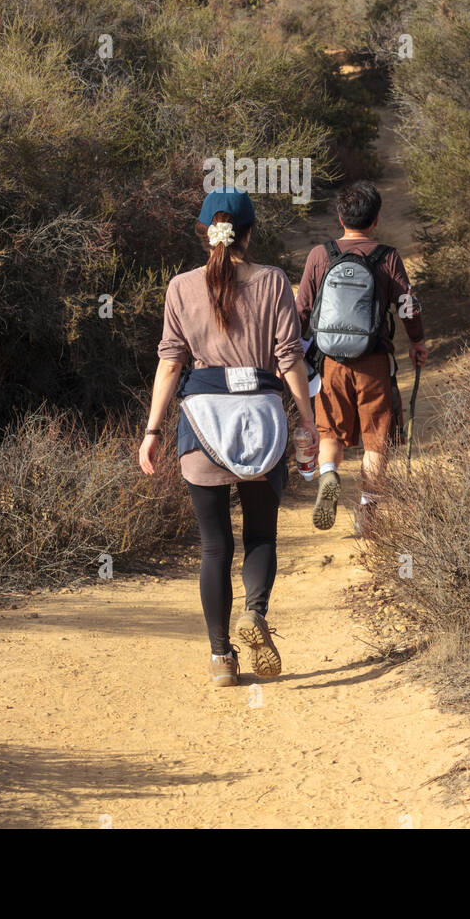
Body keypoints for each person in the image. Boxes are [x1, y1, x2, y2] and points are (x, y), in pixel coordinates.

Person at [138, 189, 318, 688]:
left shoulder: (179, 287)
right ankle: (255, 613)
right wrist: (307, 420)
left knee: (215, 547)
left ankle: (221, 658)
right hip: (260, 417)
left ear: (205, 232)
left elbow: (171, 362)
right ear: (250, 233)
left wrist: (152, 430)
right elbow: (289, 358)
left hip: (201, 421)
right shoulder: (274, 281)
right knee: (261, 535)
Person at [295, 181, 428, 533]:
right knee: (376, 439)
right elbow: (406, 306)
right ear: (376, 219)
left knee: (330, 434)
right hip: (373, 360)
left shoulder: (320, 255)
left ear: (341, 217)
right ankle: (367, 514)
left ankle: (328, 475)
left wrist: (293, 354)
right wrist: (417, 342)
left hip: (330, 362)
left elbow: (302, 311)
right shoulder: (387, 257)